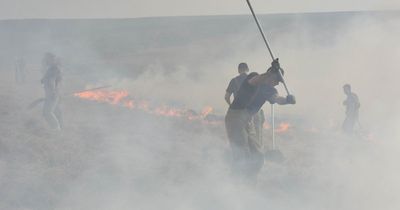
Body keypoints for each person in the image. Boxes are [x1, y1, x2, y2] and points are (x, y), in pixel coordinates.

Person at [225, 58, 295, 181]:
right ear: (270, 75)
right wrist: (271, 72)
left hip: (248, 120)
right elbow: (255, 81)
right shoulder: (254, 77)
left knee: (258, 156)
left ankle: (250, 181)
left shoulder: (270, 90)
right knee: (242, 153)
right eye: (277, 80)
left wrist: (287, 100)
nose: (278, 83)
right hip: (235, 117)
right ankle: (236, 182)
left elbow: (278, 99)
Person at [225, 63, 265, 153]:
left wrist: (232, 108)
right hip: (255, 112)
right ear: (248, 69)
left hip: (240, 113)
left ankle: (245, 157)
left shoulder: (234, 81)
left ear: (239, 70)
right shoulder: (256, 80)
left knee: (241, 135)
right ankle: (259, 155)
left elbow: (226, 97)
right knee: (257, 135)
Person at [41, 53, 63, 130]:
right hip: (52, 93)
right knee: (56, 112)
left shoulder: (54, 69)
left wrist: (53, 92)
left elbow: (52, 81)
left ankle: (56, 130)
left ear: (51, 59)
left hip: (52, 94)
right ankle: (59, 129)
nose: (45, 60)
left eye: (47, 59)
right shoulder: (51, 68)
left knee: (46, 112)